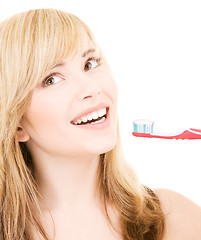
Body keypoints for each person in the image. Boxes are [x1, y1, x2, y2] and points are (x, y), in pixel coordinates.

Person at [0, 8, 200, 240]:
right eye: (51, 79)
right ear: (16, 125)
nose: (91, 88)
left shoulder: (173, 219)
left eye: (90, 64)